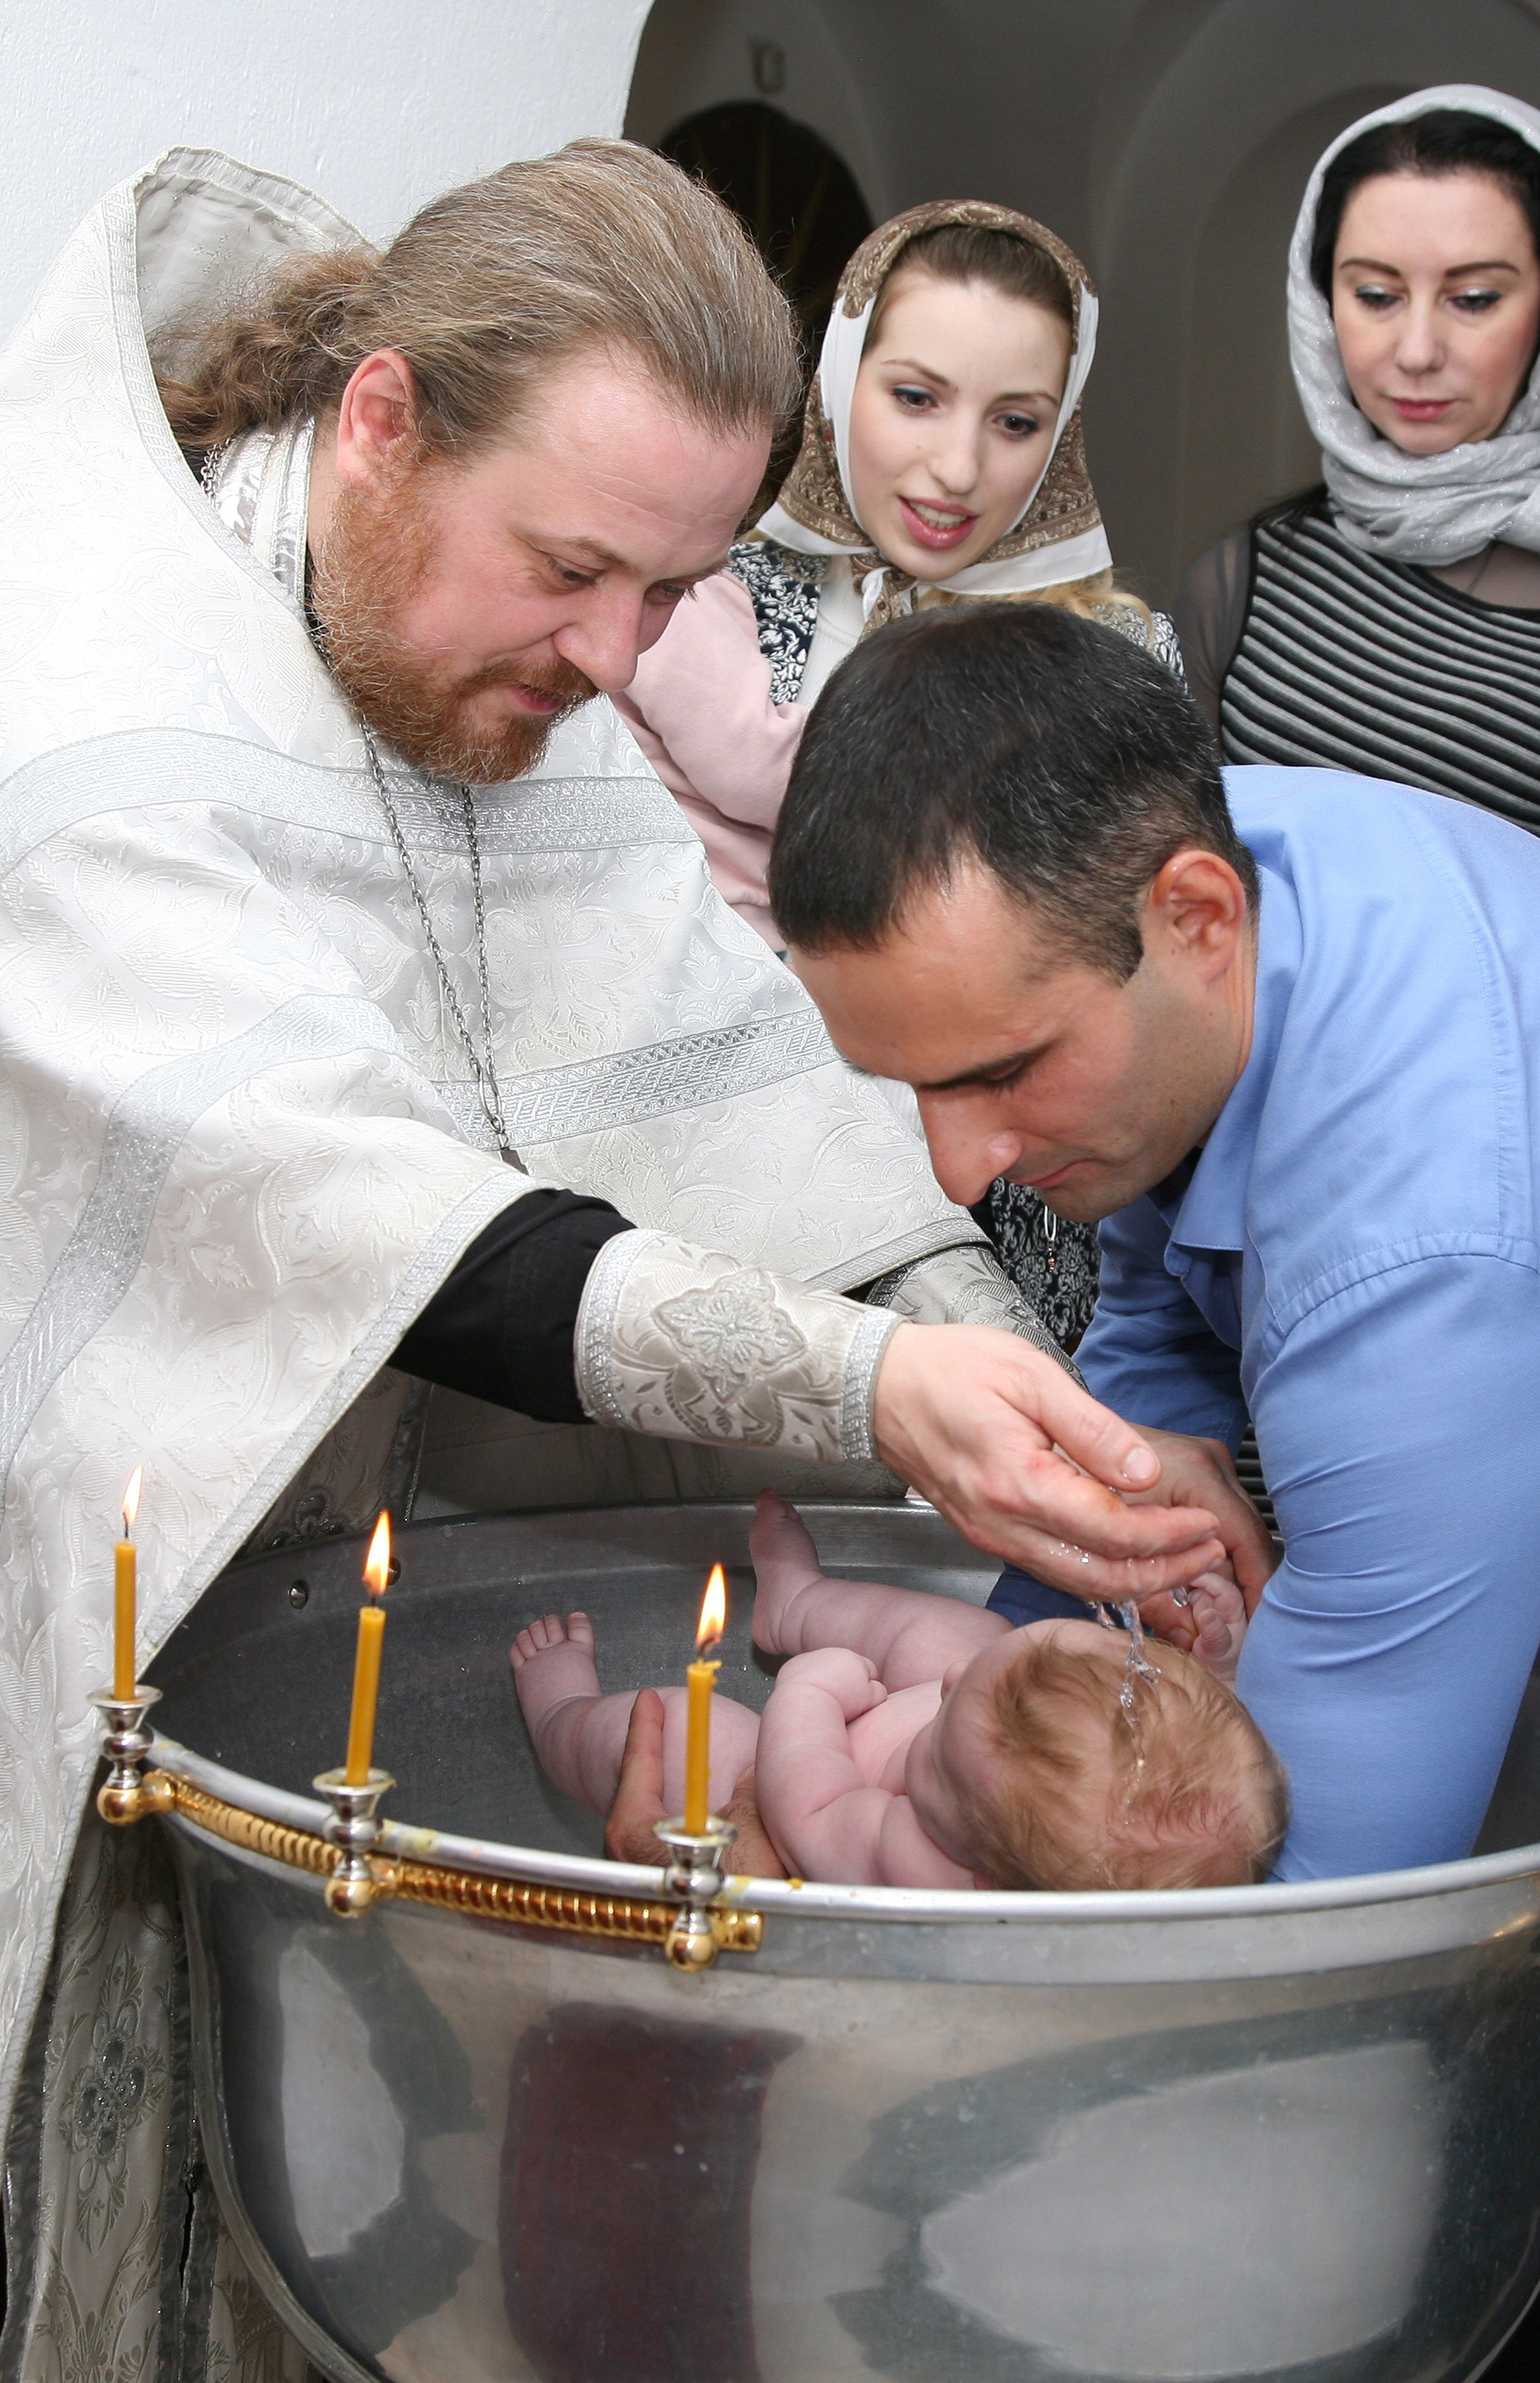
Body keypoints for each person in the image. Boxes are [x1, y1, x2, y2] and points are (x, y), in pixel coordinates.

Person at [0, 142, 1268, 2368]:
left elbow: (730, 1090)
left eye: (668, 595)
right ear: (381, 422)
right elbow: (357, 1223)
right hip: (132, 1599)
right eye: (575, 570)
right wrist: (876, 1396)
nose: (611, 662)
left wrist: (994, 1364)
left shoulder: (507, 643)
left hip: (401, 1613)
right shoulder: (94, 695)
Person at [767, 599, 1540, 1884]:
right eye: (907, 1085)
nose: (954, 1166)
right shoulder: (1174, 871)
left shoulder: (1432, 1271)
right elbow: (1161, 1326)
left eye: (1002, 1072)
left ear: (1197, 920)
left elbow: (1311, 1937)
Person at [616, 198, 1181, 1345]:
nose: (956, 466)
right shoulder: (698, 592)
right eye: (914, 397)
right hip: (723, 1179)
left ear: (1063, 429)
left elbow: (1145, 991)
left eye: (1015, 420)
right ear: (836, 379)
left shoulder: (1119, 657)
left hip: (1010, 1205)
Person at [1175, 87, 1540, 853]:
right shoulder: (1241, 585)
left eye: (1472, 298)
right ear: (1320, 303)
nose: (1417, 350)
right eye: (1374, 295)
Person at [515, 1491, 1281, 1891]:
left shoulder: (915, 1860)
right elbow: (1198, 1755)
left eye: (943, 1734)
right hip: (945, 1743)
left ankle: (561, 1712)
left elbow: (803, 1802)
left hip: (807, 1771)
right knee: (964, 1641)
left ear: (978, 1866)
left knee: (694, 1732)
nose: (948, 1684)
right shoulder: (1049, 1820)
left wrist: (811, 1695)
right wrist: (1214, 1675)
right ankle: (797, 1604)